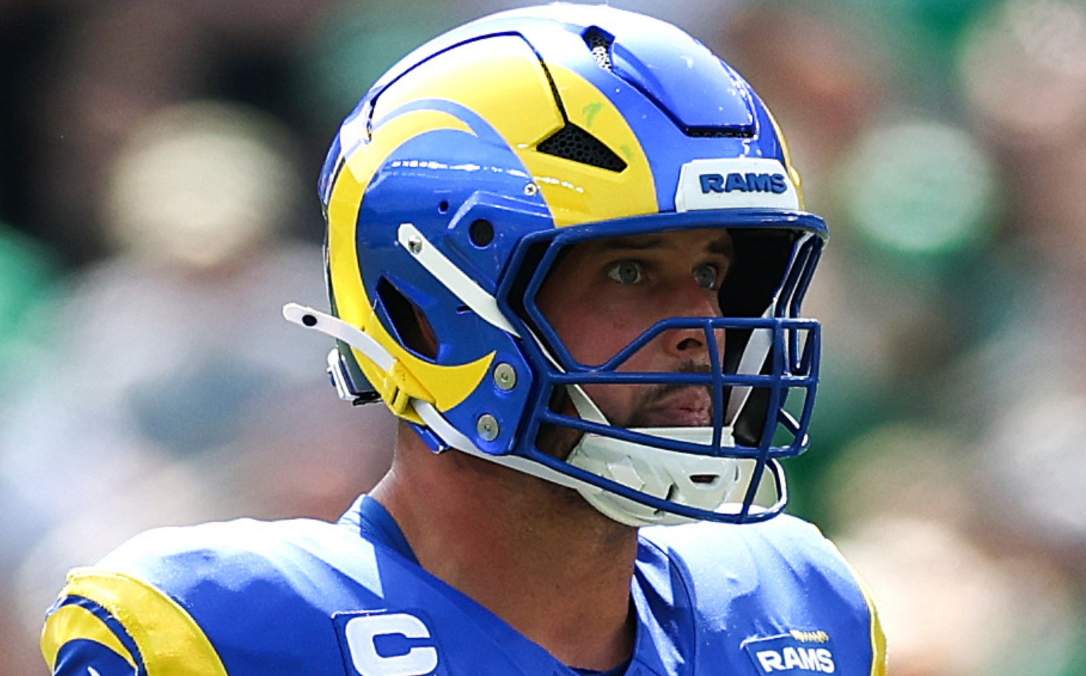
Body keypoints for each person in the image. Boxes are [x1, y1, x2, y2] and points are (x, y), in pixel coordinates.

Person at [41, 4, 887, 674]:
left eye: (710, 271)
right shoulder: (225, 633)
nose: (702, 328)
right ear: (427, 311)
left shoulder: (796, 611)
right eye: (629, 272)